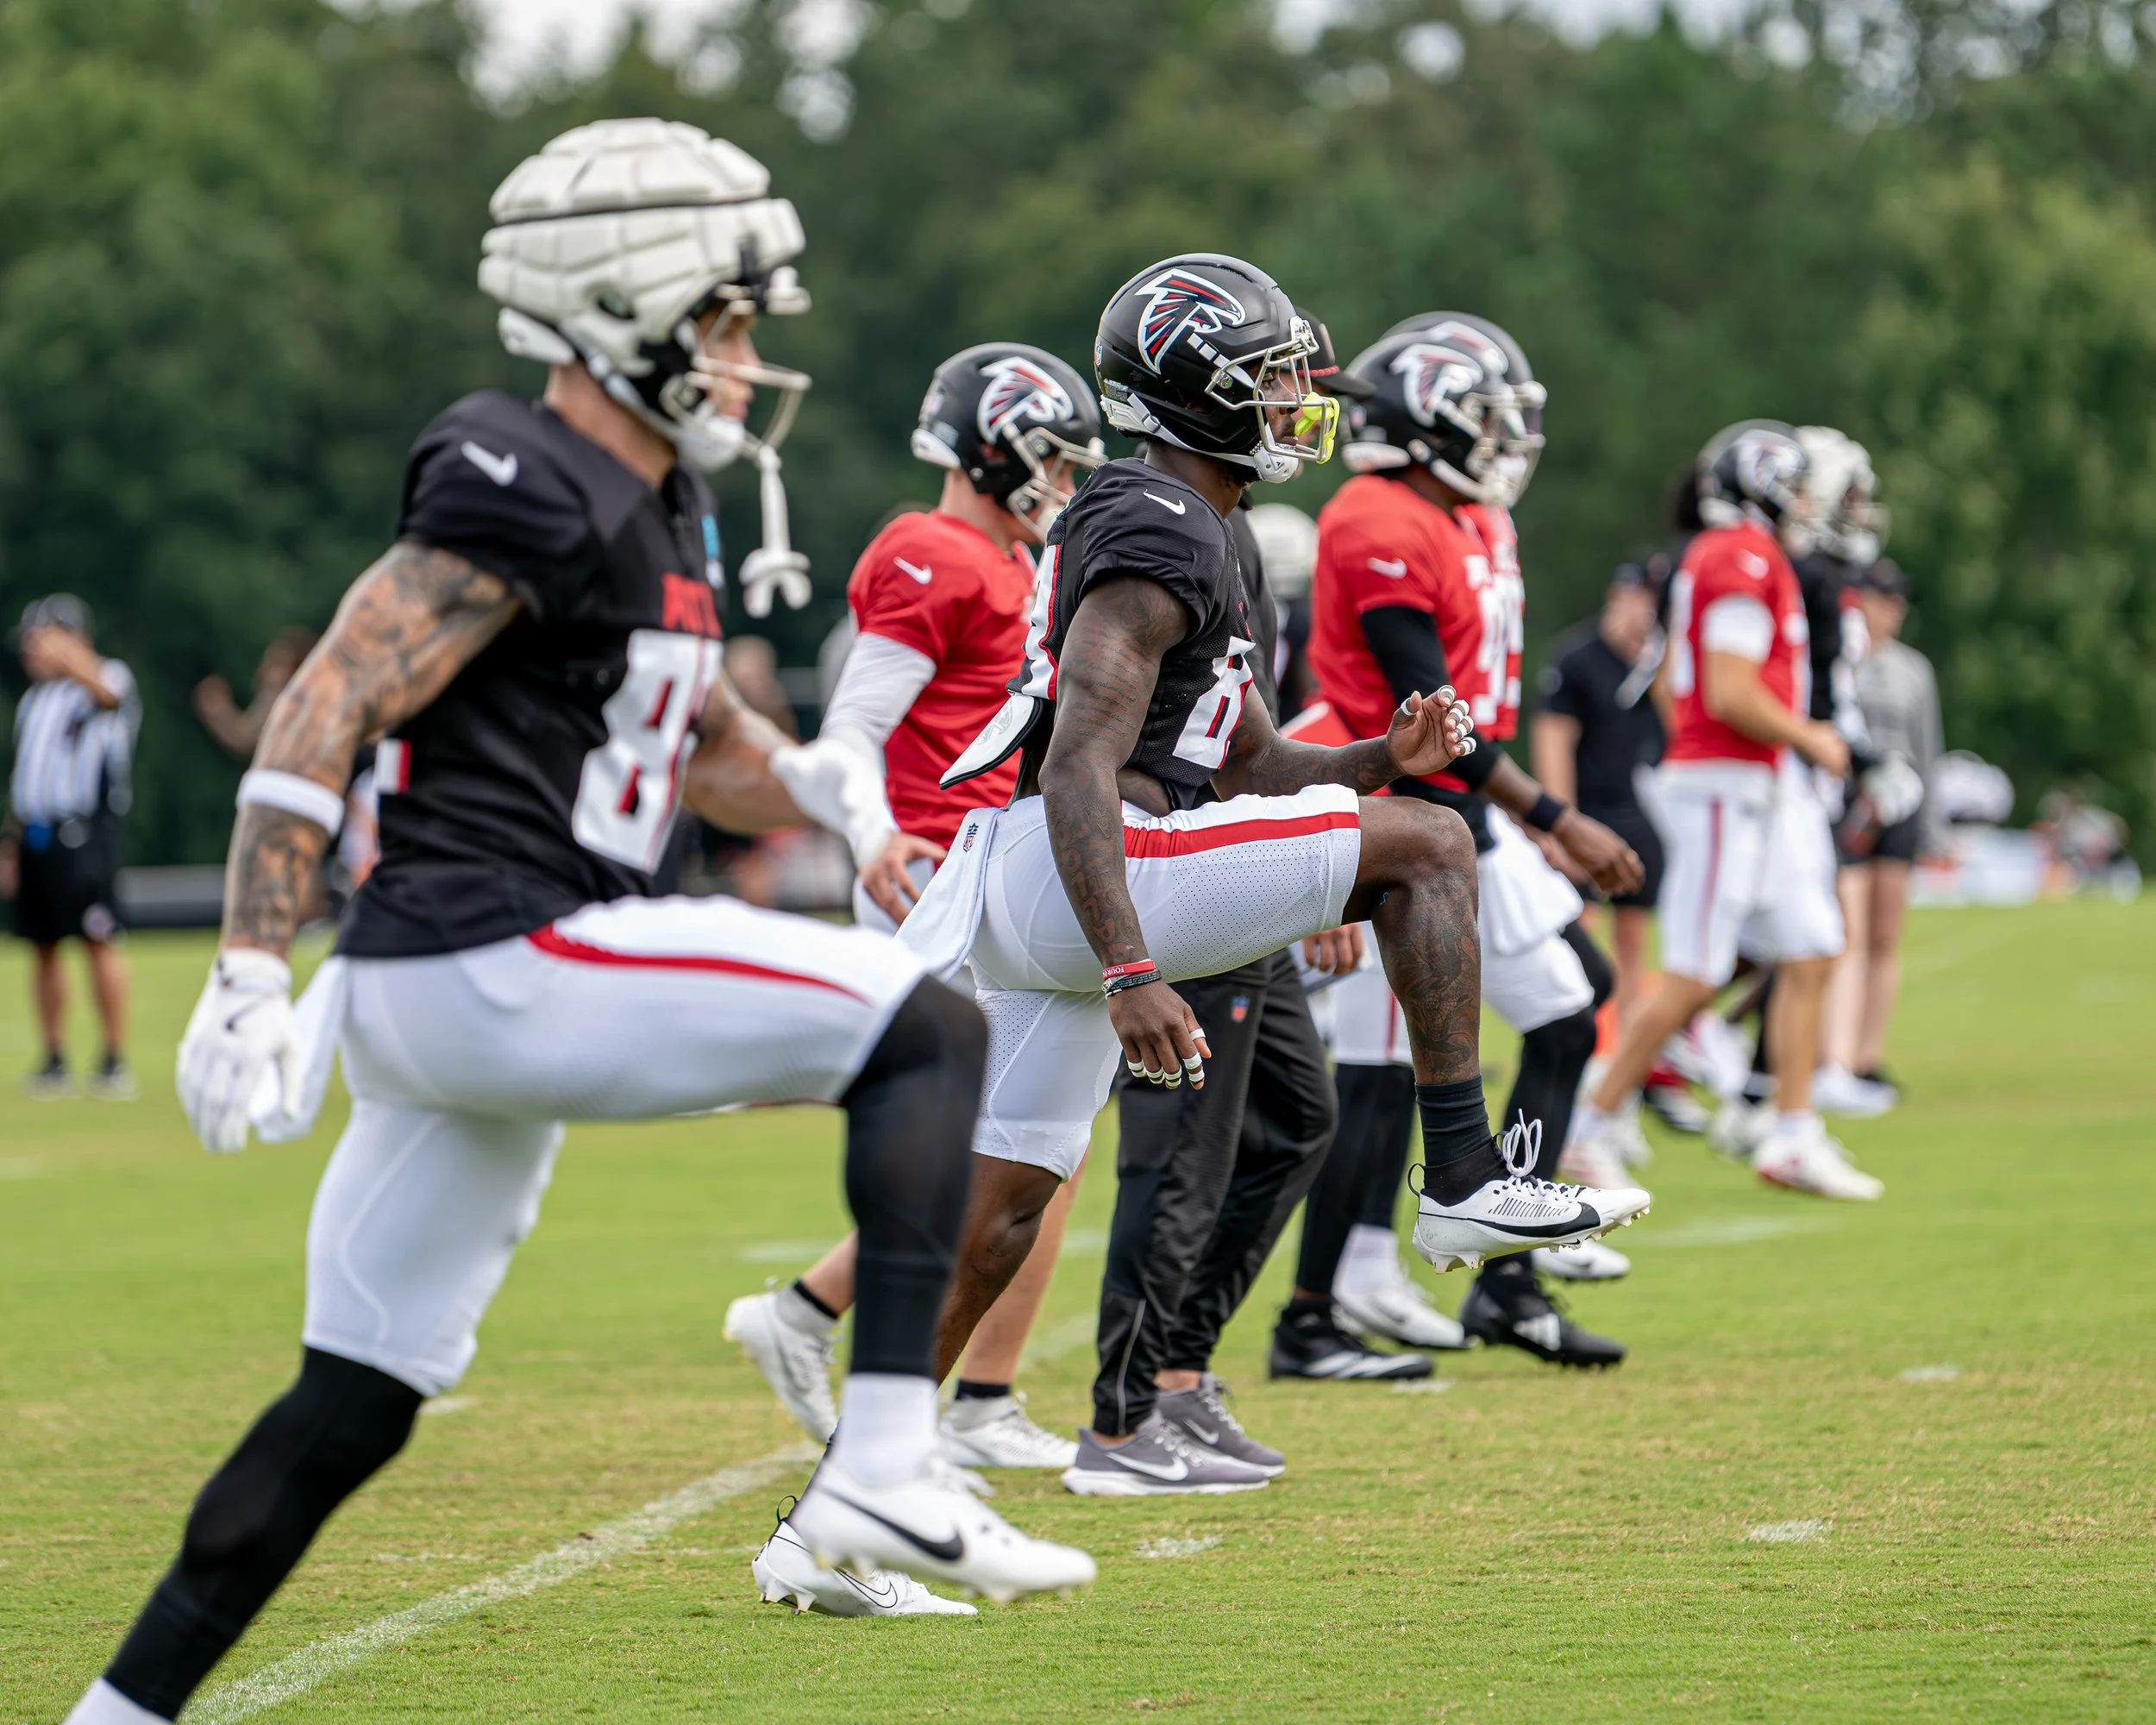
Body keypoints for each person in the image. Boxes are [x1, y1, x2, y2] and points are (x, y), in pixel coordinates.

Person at [60, 120, 1095, 1725]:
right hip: (488, 951)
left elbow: (688, 751)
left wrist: (823, 787)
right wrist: (249, 965)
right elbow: (331, 693)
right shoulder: (524, 473)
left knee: (353, 1404)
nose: (749, 360)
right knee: (931, 1031)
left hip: (479, 989)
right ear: (634, 307)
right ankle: (883, 1465)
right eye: (731, 322)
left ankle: (115, 1711)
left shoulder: (657, 499)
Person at [897, 254, 1648, 1499]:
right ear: (1198, 392)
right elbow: (1080, 762)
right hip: (1096, 870)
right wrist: (1132, 966)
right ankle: (1460, 1175)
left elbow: (1241, 759)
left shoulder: (1208, 525)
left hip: (1070, 880)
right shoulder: (1155, 521)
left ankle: (851, 1488)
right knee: (1435, 843)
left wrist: (1371, 757)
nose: (1302, 393)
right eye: (1272, 375)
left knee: (1004, 1213)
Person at [725, 344, 1106, 1544]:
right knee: (982, 1155)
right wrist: (876, 834)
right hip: (936, 878)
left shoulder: (1005, 557)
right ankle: (849, 1351)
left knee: (1030, 1154)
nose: (1058, 478)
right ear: (991, 441)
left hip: (985, 869)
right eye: (1045, 452)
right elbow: (855, 726)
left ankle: (919, 1378)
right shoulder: (934, 552)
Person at [1270, 314, 1644, 1377]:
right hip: (1403, 815)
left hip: (1456, 815)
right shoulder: (1374, 515)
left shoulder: (1470, 516)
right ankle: (1330, 1305)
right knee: (1385, 1069)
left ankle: (1482, 1270)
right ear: (1429, 419)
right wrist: (1555, 813)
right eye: (1484, 415)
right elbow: (1423, 707)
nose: (1504, 438)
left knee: (1555, 1011)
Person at [1571, 421, 1882, 1201]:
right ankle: (1589, 1125)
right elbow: (1729, 691)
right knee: (1695, 970)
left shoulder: (1747, 552)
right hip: (1721, 785)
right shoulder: (1737, 554)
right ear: (1764, 484)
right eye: (1798, 485)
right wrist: (1812, 736)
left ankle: (1790, 1130)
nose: (1809, 503)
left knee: (1811, 945)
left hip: (1753, 786)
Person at [1532, 563, 1710, 1134]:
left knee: (1636, 943)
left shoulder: (1657, 661)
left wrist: (1661, 672)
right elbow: (1554, 738)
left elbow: (1681, 730)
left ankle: (1624, 1073)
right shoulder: (1579, 659)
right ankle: (1591, 1054)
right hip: (1589, 816)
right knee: (1583, 940)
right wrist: (1560, 823)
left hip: (1641, 814)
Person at [3, 594, 140, 1100]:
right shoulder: (34, 701)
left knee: (98, 940)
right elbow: (24, 779)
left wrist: (69, 658)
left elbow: (110, 698)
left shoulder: (108, 678)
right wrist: (10, 845)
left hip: (83, 834)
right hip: (37, 836)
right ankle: (54, 1056)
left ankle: (112, 1056)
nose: (32, 653)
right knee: (42, 947)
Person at [1822, 558, 1939, 1094]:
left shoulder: (1913, 669)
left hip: (1901, 805)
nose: (1890, 611)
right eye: (1881, 599)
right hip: (1851, 802)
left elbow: (1926, 749)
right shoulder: (1842, 660)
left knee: (1886, 936)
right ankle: (1837, 1056)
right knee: (1850, 931)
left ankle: (1868, 1056)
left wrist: (1931, 827)